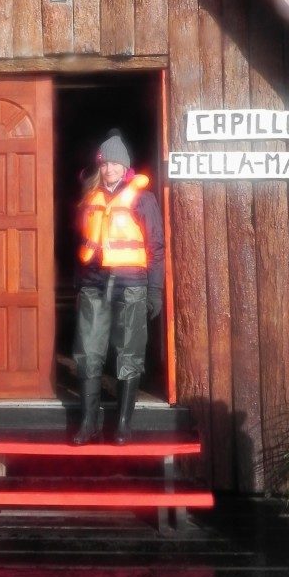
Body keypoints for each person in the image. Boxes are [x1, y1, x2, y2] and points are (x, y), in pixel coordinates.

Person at [72, 130, 165, 445]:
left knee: (129, 352)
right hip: (94, 284)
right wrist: (79, 281)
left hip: (131, 284)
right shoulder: (90, 197)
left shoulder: (143, 199)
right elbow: (84, 242)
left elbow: (156, 246)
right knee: (88, 351)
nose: (109, 169)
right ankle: (89, 422)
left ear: (125, 167)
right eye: (105, 163)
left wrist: (155, 290)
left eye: (115, 163)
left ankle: (123, 424)